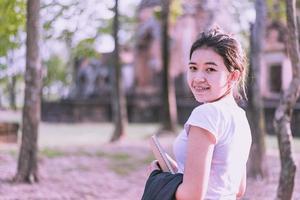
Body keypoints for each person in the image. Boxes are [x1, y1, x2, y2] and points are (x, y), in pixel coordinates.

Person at [146, 27, 252, 200]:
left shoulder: (206, 114)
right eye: (193, 68)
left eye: (210, 69)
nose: (198, 78)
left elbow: (192, 196)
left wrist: (158, 178)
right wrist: (173, 168)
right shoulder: (240, 117)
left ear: (233, 77)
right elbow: (237, 188)